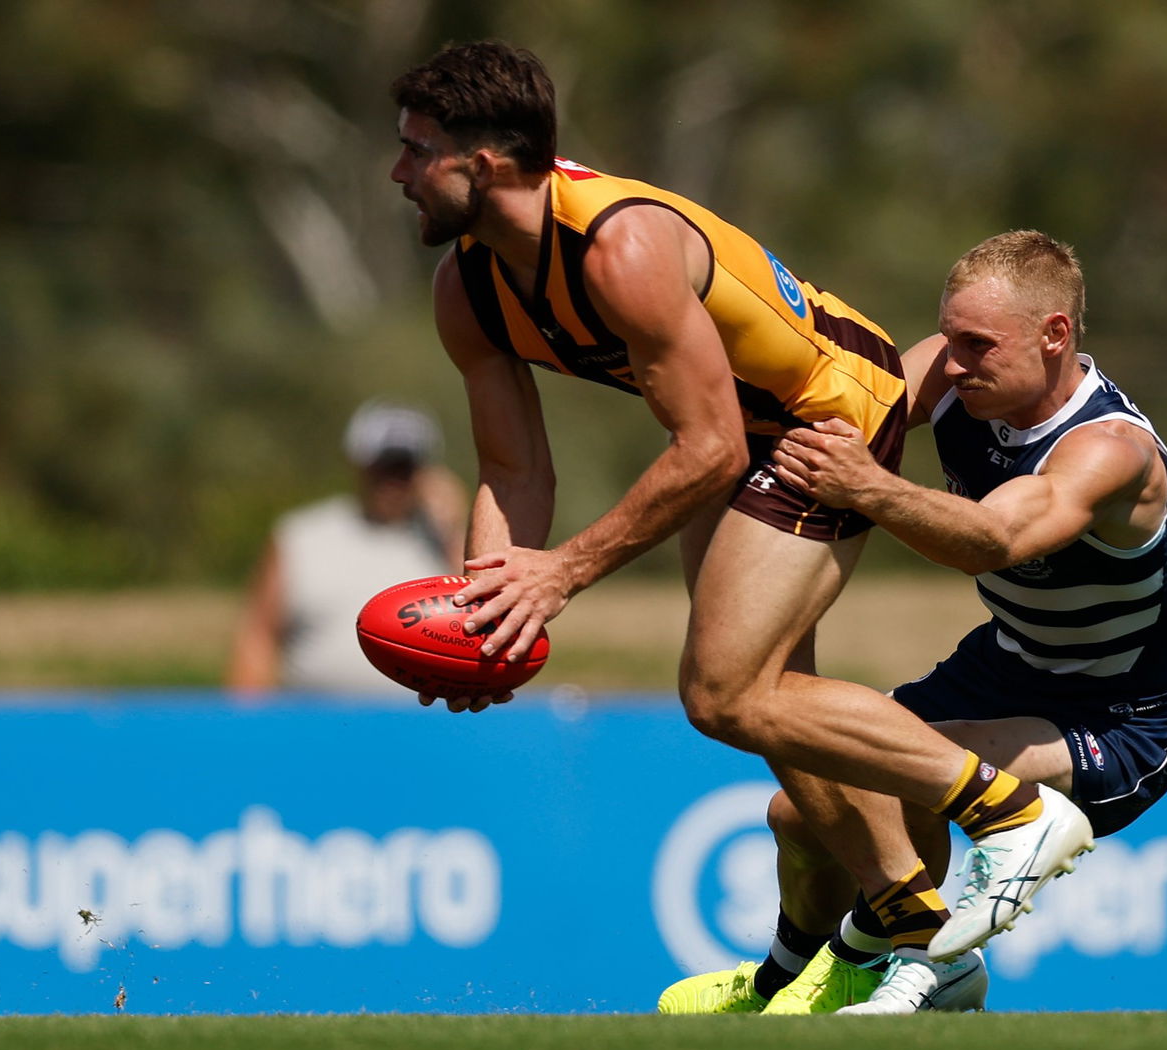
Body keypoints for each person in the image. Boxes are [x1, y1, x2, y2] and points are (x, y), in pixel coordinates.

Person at [388, 42, 1091, 997]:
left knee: (723, 690)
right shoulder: (465, 289)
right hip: (740, 432)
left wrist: (560, 575)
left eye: (416, 151)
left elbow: (708, 447)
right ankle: (924, 935)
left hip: (826, 413)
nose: (398, 174)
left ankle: (1012, 815)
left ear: (486, 163)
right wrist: (487, 615)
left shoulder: (619, 249)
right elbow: (514, 470)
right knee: (769, 707)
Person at [658, 230, 1167, 1014]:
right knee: (799, 813)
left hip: (1115, 719)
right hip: (1006, 662)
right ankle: (781, 980)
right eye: (947, 338)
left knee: (899, 781)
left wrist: (866, 488)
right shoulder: (953, 373)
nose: (955, 360)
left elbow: (996, 540)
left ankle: (915, 964)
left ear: (1056, 335)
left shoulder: (1110, 450)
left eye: (978, 344)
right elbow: (847, 404)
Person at [227, 400, 466, 695]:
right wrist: (248, 725)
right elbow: (258, 637)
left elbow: (483, 623)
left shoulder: (445, 544)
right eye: (383, 467)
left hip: (427, 723)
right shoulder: (301, 536)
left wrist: (454, 533)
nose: (391, 482)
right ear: (358, 464)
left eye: (403, 469)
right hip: (314, 726)